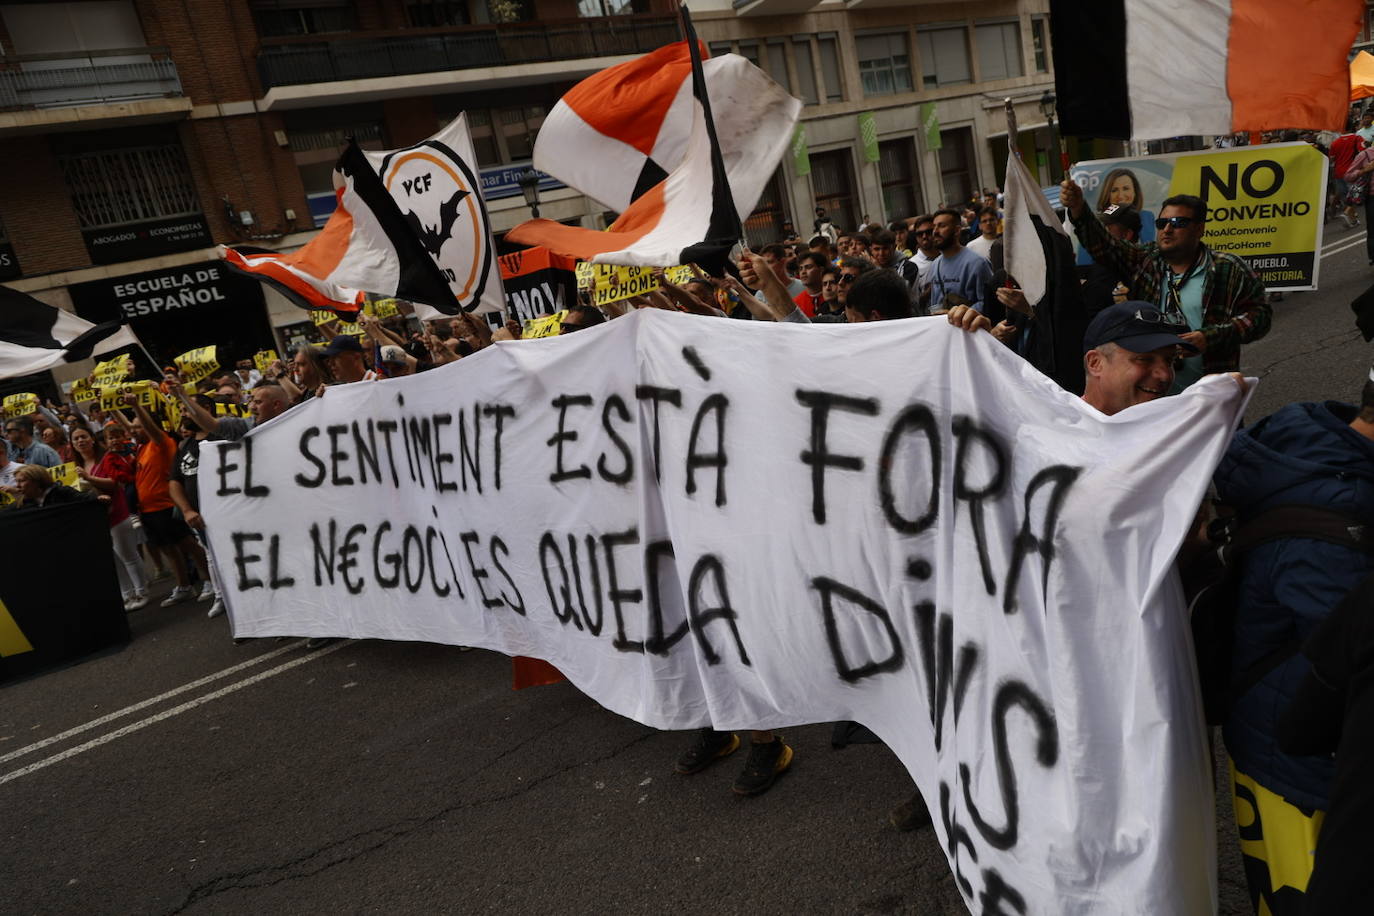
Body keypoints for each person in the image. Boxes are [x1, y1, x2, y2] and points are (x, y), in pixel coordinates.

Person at [1210, 366, 1374, 914]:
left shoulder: (1311, 438)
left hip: (1277, 747)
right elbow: (1352, 675)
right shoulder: (1339, 535)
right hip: (1300, 775)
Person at [1060, 179, 1270, 393]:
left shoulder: (1229, 268)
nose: (1167, 229)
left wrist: (1210, 337)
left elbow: (1260, 316)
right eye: (1162, 223)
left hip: (1211, 396)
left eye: (1178, 223)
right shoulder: (1145, 260)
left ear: (1199, 229)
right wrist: (1079, 209)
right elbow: (1105, 244)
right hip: (1152, 395)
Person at [127, 394, 213, 608]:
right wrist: (111, 408)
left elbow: (149, 428)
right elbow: (128, 427)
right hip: (148, 509)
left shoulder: (161, 442)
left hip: (165, 506)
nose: (133, 430)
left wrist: (136, 406)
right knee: (168, 549)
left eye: (139, 426)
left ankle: (210, 580)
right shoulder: (142, 447)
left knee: (188, 545)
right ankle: (184, 585)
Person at [71, 424, 148, 611]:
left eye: (84, 436)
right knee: (113, 559)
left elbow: (115, 483)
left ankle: (141, 591)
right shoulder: (74, 467)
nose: (80, 441)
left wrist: (89, 478)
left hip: (117, 514)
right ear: (72, 444)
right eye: (76, 439)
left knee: (127, 554)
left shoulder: (107, 458)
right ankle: (127, 594)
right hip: (96, 519)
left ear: (92, 439)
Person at [928, 208, 993, 313]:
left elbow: (989, 302)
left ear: (957, 231)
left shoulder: (977, 263)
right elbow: (935, 303)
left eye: (942, 226)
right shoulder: (935, 265)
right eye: (934, 227)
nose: (935, 231)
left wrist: (957, 314)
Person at [1079, 205, 1140, 317]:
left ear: (1127, 235)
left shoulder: (1139, 272)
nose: (1099, 235)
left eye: (1104, 230)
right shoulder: (1095, 268)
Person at [868, 229, 922, 300]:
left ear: (894, 247)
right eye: (877, 249)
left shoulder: (909, 267)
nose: (881, 253)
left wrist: (878, 269)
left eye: (885, 248)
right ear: (871, 250)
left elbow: (896, 294)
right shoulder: (869, 269)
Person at [7, 464, 90, 508]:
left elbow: (89, 501)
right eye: (17, 481)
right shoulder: (23, 503)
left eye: (21, 481)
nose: (17, 486)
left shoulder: (63, 493)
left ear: (37, 480)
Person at [1329, 126, 1364, 229]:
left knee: (1346, 197)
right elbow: (1363, 151)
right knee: (1355, 195)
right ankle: (1347, 213)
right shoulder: (1357, 138)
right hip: (1352, 171)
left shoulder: (1335, 143)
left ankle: (1352, 220)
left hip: (1339, 172)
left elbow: (1332, 159)